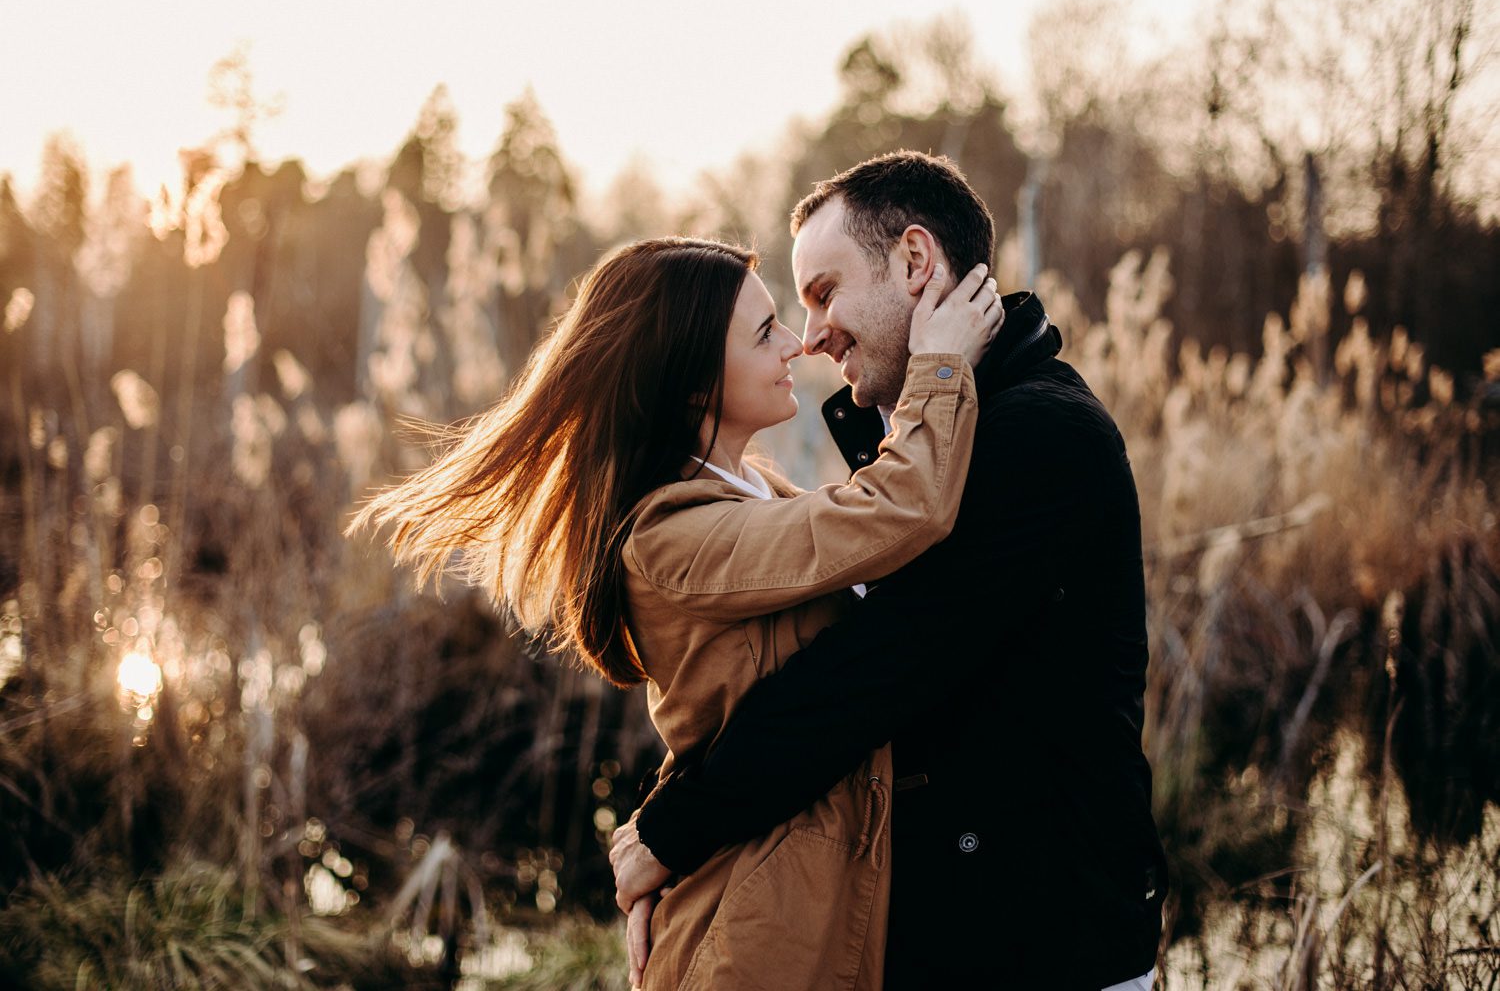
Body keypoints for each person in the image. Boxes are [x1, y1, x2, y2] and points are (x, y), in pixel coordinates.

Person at [347, 235, 1005, 990]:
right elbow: (899, 510)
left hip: (800, 906)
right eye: (764, 333)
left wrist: (656, 835)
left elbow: (723, 712)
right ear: (694, 384)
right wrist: (940, 364)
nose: (795, 345)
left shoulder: (755, 492)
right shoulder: (674, 535)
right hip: (753, 935)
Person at [609, 151, 1168, 990]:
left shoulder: (1042, 437)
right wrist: (666, 836)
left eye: (824, 292)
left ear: (914, 261)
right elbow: (745, 686)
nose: (811, 336)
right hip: (942, 941)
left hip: (1047, 947)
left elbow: (871, 671)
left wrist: (670, 833)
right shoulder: (914, 437)